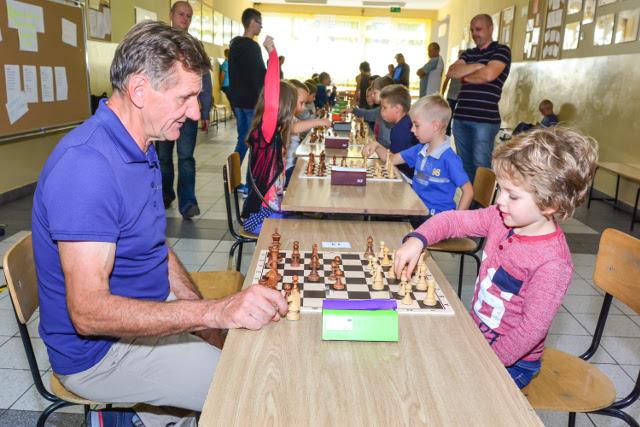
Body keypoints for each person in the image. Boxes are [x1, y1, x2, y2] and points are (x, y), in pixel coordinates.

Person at [31, 21, 287, 426]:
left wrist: (206, 320)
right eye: (185, 97)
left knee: (253, 353)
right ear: (139, 90)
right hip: (101, 354)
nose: (196, 111)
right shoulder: (86, 168)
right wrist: (214, 313)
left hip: (143, 318)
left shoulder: (143, 143)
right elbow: (89, 314)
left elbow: (155, 248)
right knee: (257, 390)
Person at [394, 127, 598, 389]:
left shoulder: (552, 263)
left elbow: (530, 331)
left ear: (550, 204)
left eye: (512, 195)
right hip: (478, 335)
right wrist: (418, 239)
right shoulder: (499, 217)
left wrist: (484, 361)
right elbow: (451, 221)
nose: (500, 201)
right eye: (500, 189)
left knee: (451, 392)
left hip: (512, 361)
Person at [156, 1, 212, 218]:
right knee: (163, 157)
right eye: (181, 14)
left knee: (186, 157)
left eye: (189, 16)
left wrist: (205, 110)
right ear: (171, 14)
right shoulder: (160, 43)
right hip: (164, 111)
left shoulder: (195, 46)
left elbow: (204, 79)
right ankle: (165, 194)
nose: (185, 19)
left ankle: (188, 204)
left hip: (189, 111)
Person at [241, 37, 298, 234]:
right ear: (285, 107)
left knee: (306, 221)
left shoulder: (275, 134)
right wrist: (273, 55)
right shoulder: (266, 135)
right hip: (259, 216)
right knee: (302, 228)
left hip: (270, 210)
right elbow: (272, 101)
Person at [447, 14, 511, 182]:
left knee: (481, 166)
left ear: (490, 28)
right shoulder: (469, 53)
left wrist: (465, 76)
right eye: (472, 30)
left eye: (479, 29)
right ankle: (470, 198)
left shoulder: (501, 51)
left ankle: (482, 199)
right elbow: (452, 72)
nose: (475, 34)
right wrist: (477, 66)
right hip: (461, 118)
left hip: (485, 120)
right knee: (464, 165)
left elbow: (489, 75)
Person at [385, 95, 473, 216]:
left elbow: (468, 192)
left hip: (436, 218)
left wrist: (455, 221)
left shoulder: (449, 159)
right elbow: (392, 159)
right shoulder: (420, 149)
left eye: (416, 125)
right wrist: (377, 146)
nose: (411, 130)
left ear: (435, 126)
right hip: (416, 211)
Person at [229, 7, 265, 194]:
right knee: (255, 143)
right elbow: (259, 77)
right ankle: (251, 186)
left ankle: (234, 181)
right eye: (260, 23)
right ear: (252, 22)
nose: (261, 27)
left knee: (243, 141)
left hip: (238, 102)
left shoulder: (234, 46)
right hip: (252, 103)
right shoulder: (252, 47)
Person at [362, 84, 420, 179]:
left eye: (384, 107)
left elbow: (393, 161)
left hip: (407, 178)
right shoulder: (404, 123)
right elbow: (393, 157)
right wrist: (377, 145)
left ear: (397, 109)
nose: (381, 111)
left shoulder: (401, 129)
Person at [285, 79, 331, 186]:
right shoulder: (285, 120)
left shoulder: (292, 117)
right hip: (287, 170)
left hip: (292, 164)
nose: (303, 108)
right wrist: (318, 121)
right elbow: (294, 128)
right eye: (301, 103)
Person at [351, 76, 394, 148]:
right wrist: (353, 110)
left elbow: (387, 142)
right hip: (380, 147)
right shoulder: (380, 109)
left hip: (385, 150)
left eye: (375, 93)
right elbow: (368, 114)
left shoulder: (389, 113)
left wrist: (376, 145)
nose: (372, 95)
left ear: (384, 92)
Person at [441, 49, 465, 136]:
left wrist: (443, 93)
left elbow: (446, 81)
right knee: (450, 115)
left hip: (460, 96)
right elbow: (446, 81)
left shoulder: (466, 68)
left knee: (457, 116)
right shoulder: (453, 67)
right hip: (453, 95)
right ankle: (448, 133)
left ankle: (455, 132)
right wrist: (442, 93)